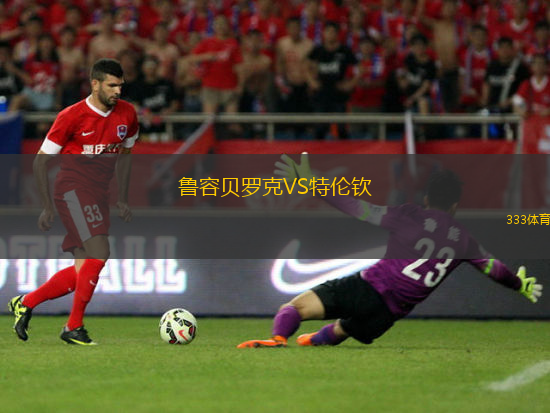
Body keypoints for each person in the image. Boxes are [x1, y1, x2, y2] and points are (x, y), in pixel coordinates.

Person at [237, 154, 543, 348]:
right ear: (455, 205)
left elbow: (356, 207)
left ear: (427, 199)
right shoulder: (464, 240)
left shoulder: (409, 215)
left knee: (294, 308)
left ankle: (278, 339)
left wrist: (313, 186)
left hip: (366, 289)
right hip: (387, 316)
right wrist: (519, 284)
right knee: (342, 329)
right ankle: (314, 341)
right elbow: (495, 270)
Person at [8, 58, 139, 346]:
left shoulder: (128, 114)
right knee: (99, 252)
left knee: (84, 269)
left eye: (120, 85)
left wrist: (122, 197)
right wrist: (47, 206)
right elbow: (41, 162)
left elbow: (126, 156)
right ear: (95, 84)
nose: (117, 91)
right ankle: (73, 326)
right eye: (111, 85)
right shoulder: (71, 116)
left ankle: (26, 302)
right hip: (73, 190)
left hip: (99, 194)